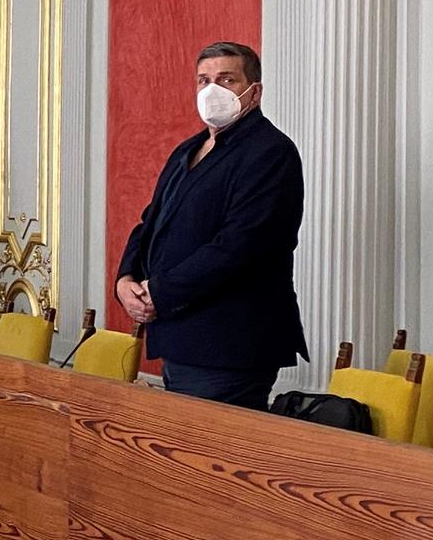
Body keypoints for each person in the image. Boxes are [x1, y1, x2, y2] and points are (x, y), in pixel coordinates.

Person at [115, 41, 307, 409]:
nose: (212, 90)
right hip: (180, 337)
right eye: (203, 80)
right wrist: (125, 280)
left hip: (231, 343)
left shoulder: (270, 152)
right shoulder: (187, 149)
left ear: (254, 91)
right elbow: (150, 222)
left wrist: (159, 292)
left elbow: (241, 247)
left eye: (226, 79)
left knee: (210, 461)